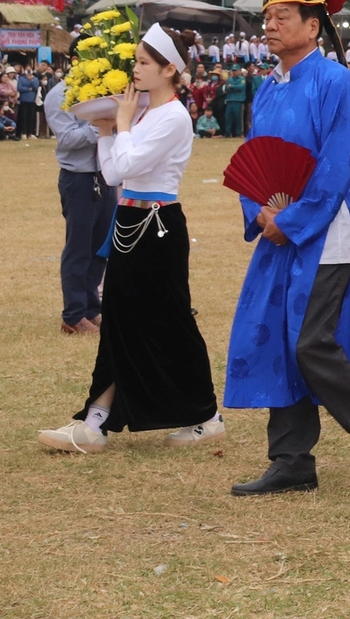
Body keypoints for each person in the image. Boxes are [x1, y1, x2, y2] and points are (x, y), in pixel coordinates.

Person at [227, 0, 350, 496]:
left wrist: (292, 219)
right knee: (279, 335)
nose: (270, 27)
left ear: (312, 25)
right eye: (266, 19)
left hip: (326, 232)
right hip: (278, 227)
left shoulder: (335, 82)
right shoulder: (268, 86)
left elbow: (335, 166)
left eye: (282, 18)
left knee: (309, 340)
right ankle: (292, 458)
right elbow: (254, 158)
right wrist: (258, 211)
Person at [36, 25, 222, 453]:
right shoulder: (141, 114)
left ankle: (205, 417)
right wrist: (108, 130)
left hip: (157, 226)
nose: (134, 70)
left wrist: (116, 127)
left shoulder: (173, 116)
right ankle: (96, 422)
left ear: (169, 69)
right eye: (135, 61)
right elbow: (112, 169)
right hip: (130, 222)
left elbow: (121, 170)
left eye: (143, 63)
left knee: (172, 323)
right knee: (121, 322)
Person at [45, 72, 112, 336]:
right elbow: (68, 139)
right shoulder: (58, 96)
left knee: (99, 246)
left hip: (104, 173)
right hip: (78, 178)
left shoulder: (103, 90)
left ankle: (91, 308)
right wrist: (102, 126)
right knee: (79, 247)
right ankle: (73, 315)